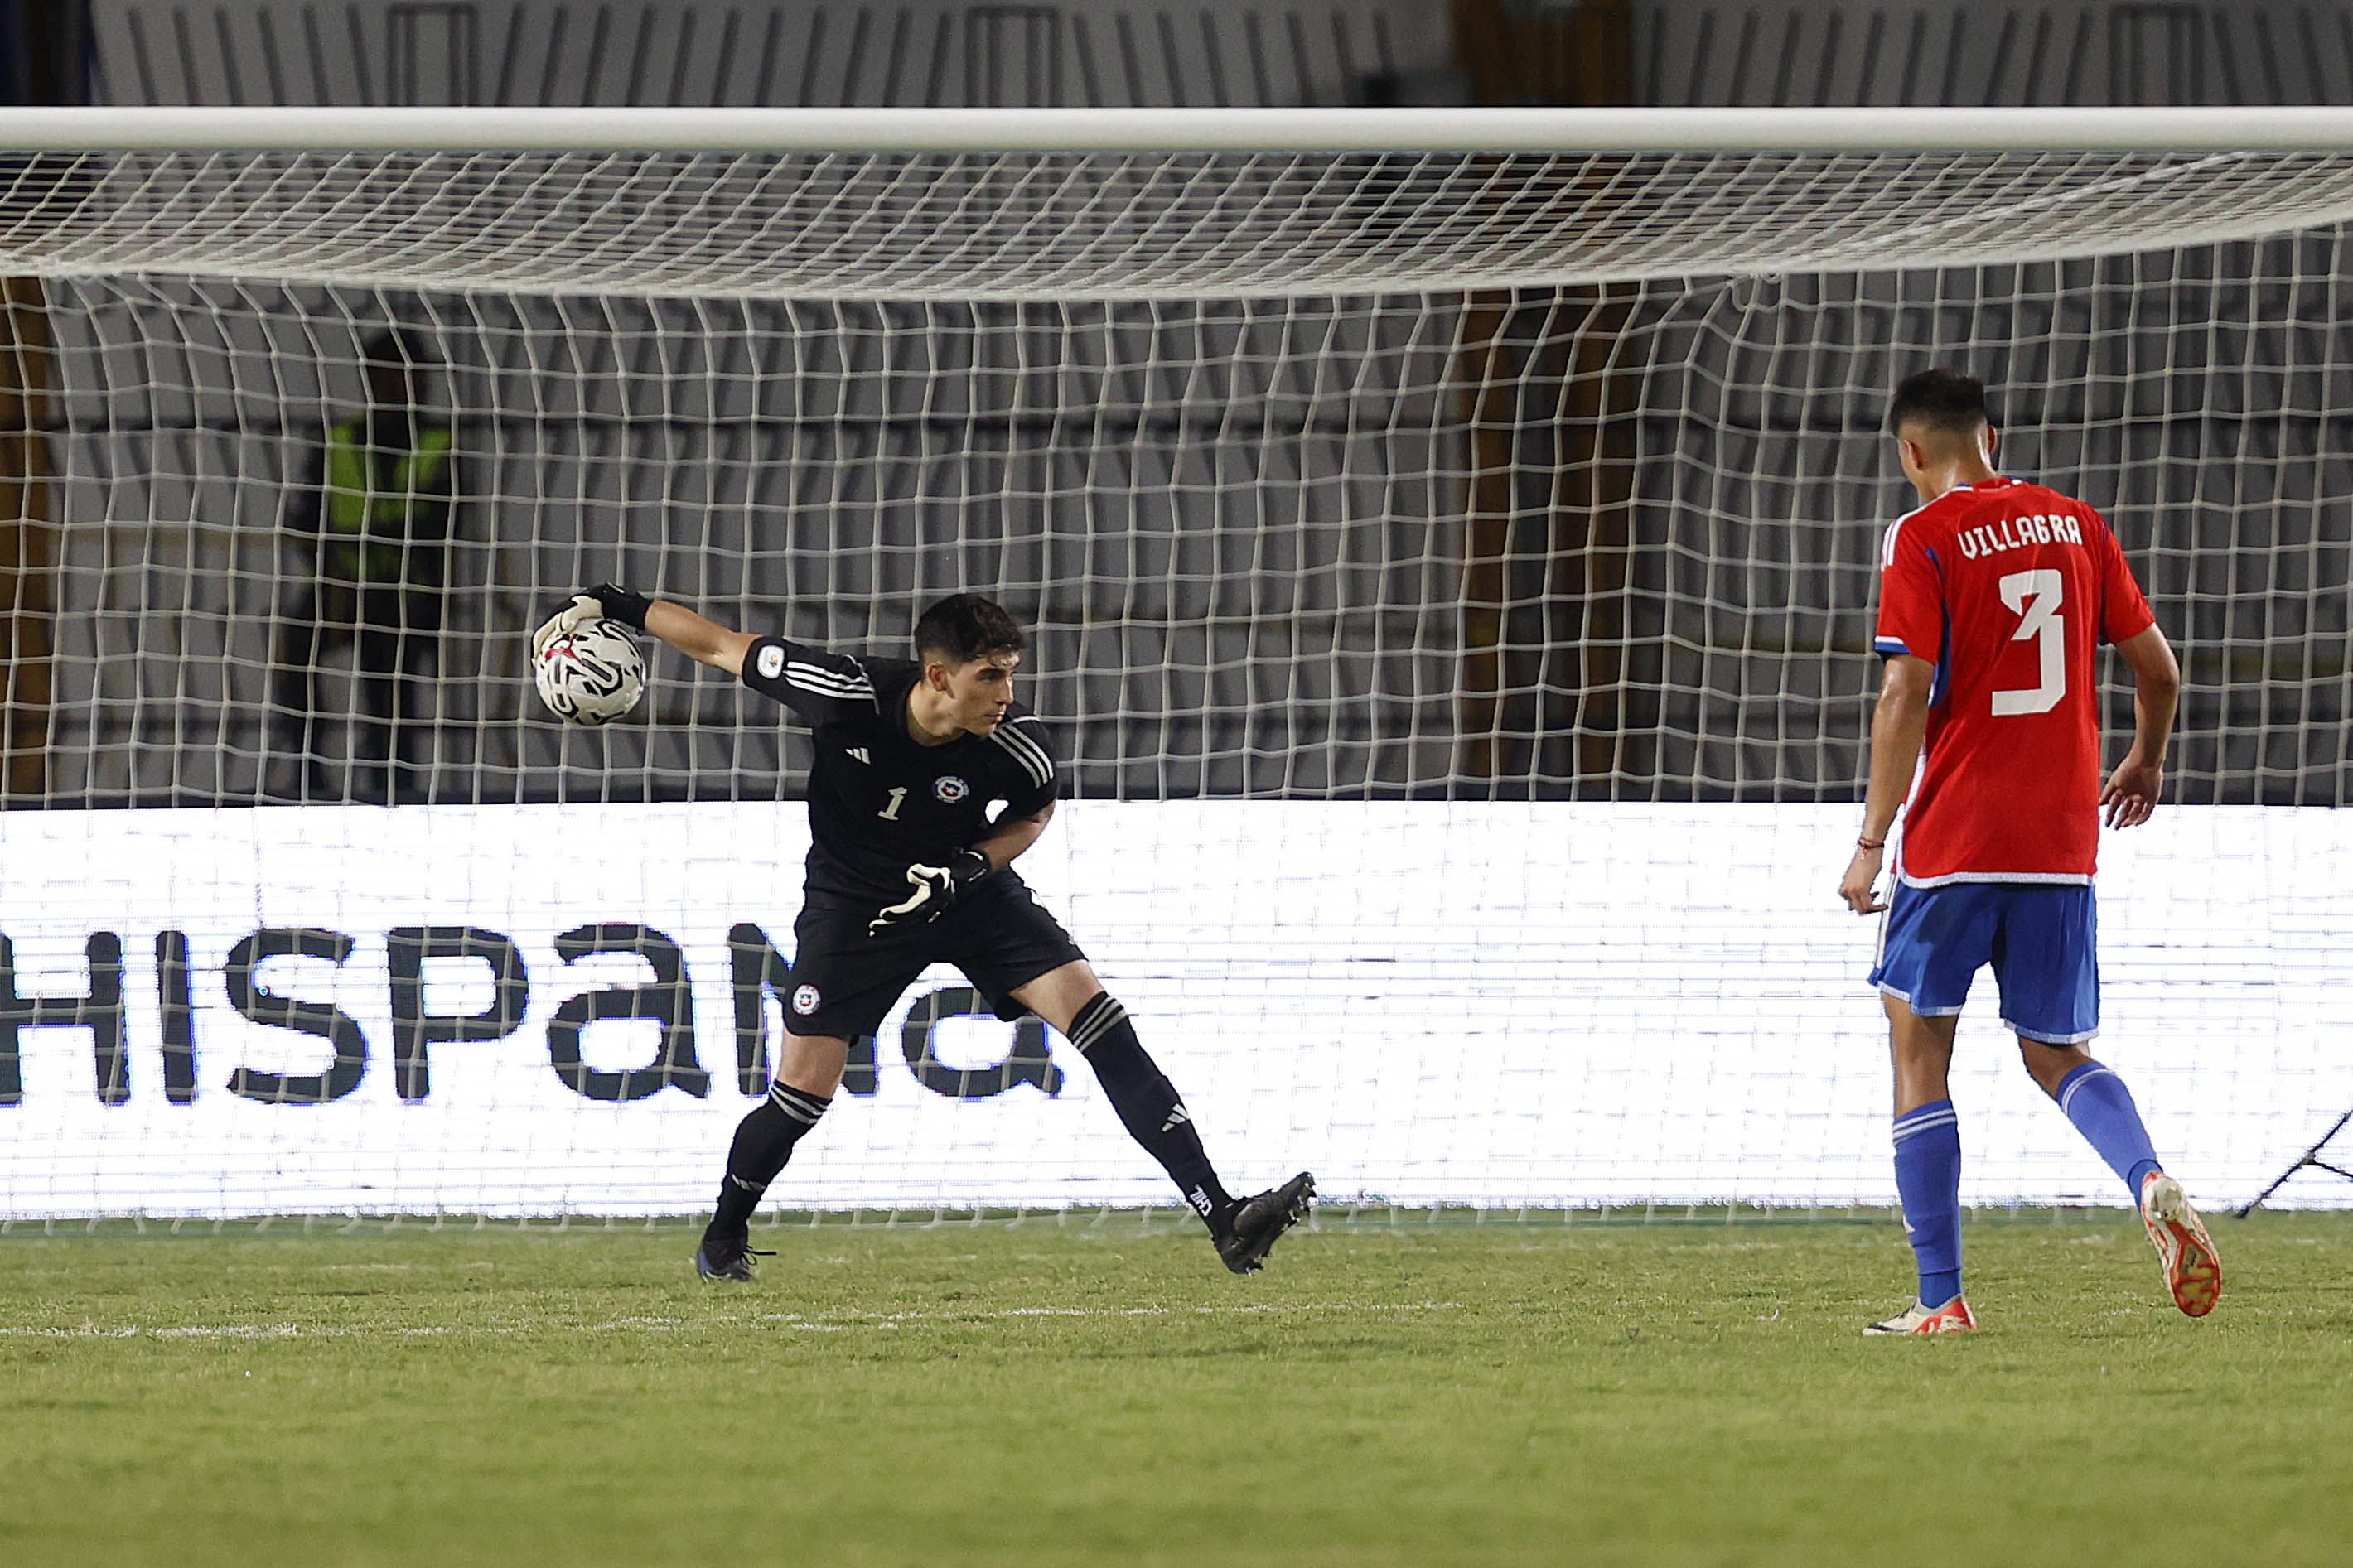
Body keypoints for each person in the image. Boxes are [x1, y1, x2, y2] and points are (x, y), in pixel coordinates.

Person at [532, 584, 1316, 1281]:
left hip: (965, 888)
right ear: (938, 676)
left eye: (1011, 673)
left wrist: (974, 865)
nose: (1007, 693)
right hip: (855, 907)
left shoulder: (1016, 743)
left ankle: (1225, 1217)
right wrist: (618, 604)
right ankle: (724, 1235)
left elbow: (1034, 812)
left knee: (1101, 1022)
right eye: (991, 676)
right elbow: (719, 645)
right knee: (802, 1096)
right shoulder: (839, 688)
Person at [1837, 368, 2219, 1335]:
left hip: (1958, 835)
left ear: (1911, 452)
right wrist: (2142, 760)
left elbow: (1901, 697)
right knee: (2055, 1050)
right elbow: (2159, 671)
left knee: (1916, 1041)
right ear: (1991, 438)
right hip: (2059, 839)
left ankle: (1940, 1300)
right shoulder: (2077, 524)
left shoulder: (1919, 535)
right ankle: (2148, 1177)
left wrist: (1869, 841)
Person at [269, 328, 457, 805]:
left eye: (410, 377)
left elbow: (442, 532)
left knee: (389, 686)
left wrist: (425, 595)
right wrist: (336, 579)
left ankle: (389, 781)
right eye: (388, 376)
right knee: (294, 645)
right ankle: (308, 770)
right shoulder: (339, 441)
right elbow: (305, 520)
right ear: (371, 380)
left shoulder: (438, 445)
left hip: (405, 593)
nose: (401, 387)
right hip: (342, 583)